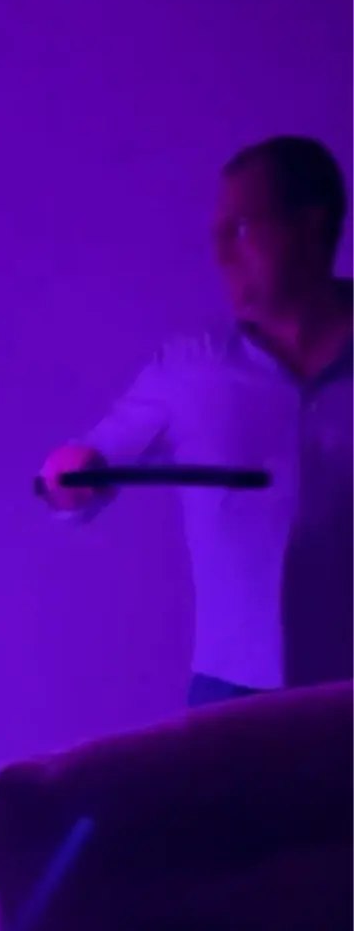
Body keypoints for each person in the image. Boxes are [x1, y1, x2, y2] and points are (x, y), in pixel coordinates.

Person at [38, 136, 353, 706]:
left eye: (241, 229)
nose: (221, 255)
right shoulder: (189, 371)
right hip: (227, 696)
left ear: (310, 226)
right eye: (217, 235)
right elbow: (88, 467)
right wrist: (71, 479)